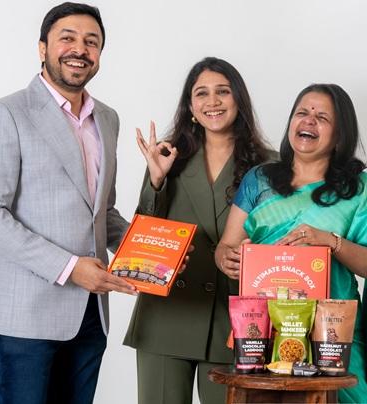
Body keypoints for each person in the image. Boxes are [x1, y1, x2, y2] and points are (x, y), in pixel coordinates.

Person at [215, 84, 367, 403]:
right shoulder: (259, 180)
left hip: (333, 336)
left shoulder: (360, 189)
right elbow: (226, 246)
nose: (309, 120)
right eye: (302, 112)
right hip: (264, 335)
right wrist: (227, 258)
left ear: (340, 134)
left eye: (322, 117)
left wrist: (330, 241)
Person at [0, 3, 137, 403]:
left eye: (91, 42)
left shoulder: (107, 118)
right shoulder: (6, 113)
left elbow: (101, 212)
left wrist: (151, 252)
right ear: (42, 47)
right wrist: (71, 268)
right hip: (25, 314)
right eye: (67, 38)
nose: (80, 49)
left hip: (91, 315)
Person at [122, 57, 274, 404]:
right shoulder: (168, 158)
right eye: (201, 93)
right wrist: (156, 180)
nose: (212, 101)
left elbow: (281, 238)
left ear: (239, 99)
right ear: (190, 107)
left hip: (236, 321)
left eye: (223, 91)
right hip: (167, 316)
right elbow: (145, 240)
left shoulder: (269, 165)